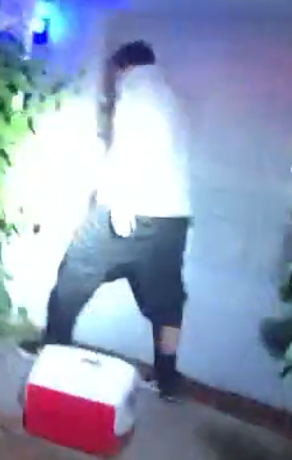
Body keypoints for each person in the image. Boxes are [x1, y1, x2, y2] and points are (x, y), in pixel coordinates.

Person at [34, 40, 193, 402]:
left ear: (124, 67)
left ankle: (51, 351)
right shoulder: (171, 97)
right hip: (173, 216)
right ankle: (168, 378)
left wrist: (118, 201)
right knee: (168, 301)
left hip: (129, 209)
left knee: (73, 275)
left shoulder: (136, 91)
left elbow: (132, 146)